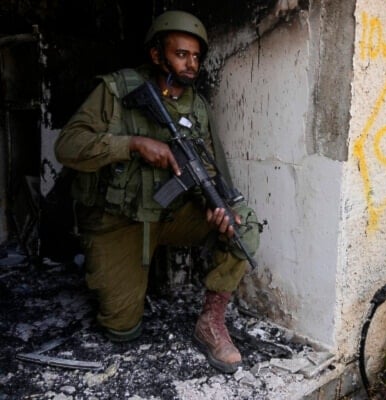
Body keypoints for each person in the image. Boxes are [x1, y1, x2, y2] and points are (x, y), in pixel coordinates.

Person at [54, 10, 260, 374]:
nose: (191, 64)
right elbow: (68, 146)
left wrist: (217, 206)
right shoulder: (117, 90)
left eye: (196, 56)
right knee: (121, 329)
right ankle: (118, 273)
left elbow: (209, 170)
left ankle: (210, 323)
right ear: (156, 55)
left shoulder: (197, 107)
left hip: (169, 215)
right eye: (181, 54)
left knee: (242, 226)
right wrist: (132, 144)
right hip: (118, 220)